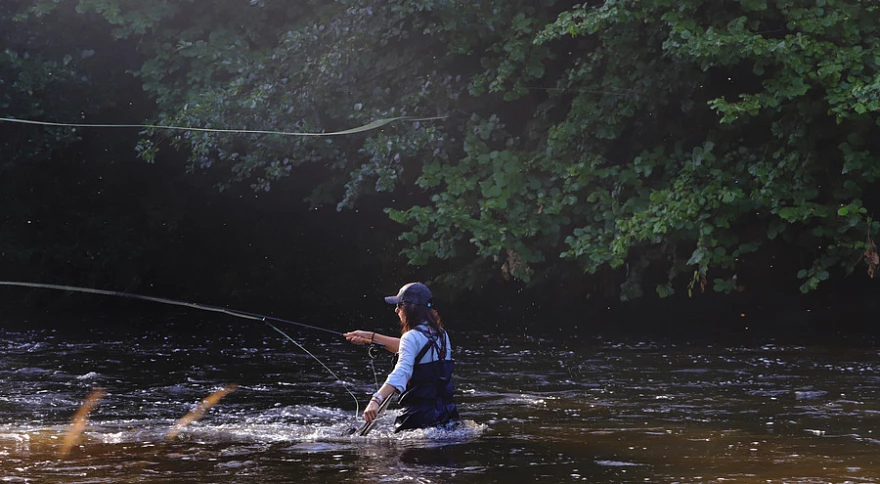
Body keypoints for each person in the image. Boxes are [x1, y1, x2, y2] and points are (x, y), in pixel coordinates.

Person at [344, 282, 459, 432]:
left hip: (419, 417)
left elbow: (403, 370)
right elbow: (414, 349)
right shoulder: (441, 334)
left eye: (399, 305)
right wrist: (369, 337)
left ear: (410, 308)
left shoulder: (411, 337)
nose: (396, 310)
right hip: (447, 414)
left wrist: (376, 400)